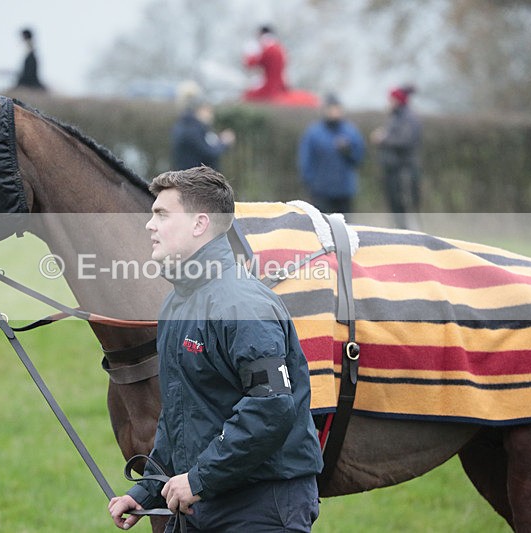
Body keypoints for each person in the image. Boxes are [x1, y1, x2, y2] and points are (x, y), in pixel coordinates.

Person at [108, 166, 322, 532]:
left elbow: (270, 407)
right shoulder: (176, 304)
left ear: (199, 224)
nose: (150, 225)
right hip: (203, 502)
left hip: (260, 507)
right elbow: (179, 414)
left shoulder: (242, 306)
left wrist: (199, 478)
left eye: (162, 214)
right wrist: (149, 490)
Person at [297, 93, 366, 216]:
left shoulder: (350, 131)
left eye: (337, 109)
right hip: (321, 190)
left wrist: (348, 151)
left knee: (344, 227)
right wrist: (310, 182)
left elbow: (359, 158)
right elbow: (306, 160)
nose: (335, 112)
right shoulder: (314, 132)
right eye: (331, 109)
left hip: (344, 190)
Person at [371, 85, 422, 229]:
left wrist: (383, 139)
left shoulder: (408, 118)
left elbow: (406, 140)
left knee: (406, 206)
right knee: (396, 208)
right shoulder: (397, 117)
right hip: (393, 171)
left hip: (404, 171)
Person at [170, 90, 235, 171]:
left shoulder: (189, 125)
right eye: (209, 111)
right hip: (193, 179)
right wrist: (224, 142)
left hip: (192, 177)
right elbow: (208, 153)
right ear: (200, 110)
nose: (211, 115)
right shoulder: (192, 129)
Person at [242, 25, 288, 102]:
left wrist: (249, 55)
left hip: (269, 87)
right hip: (279, 85)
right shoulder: (279, 48)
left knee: (248, 97)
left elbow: (251, 63)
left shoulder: (267, 48)